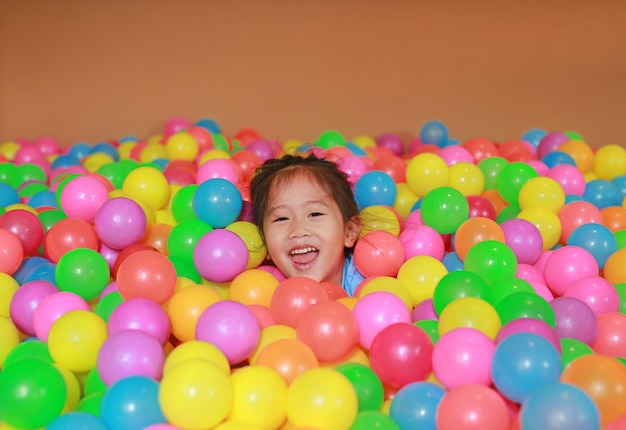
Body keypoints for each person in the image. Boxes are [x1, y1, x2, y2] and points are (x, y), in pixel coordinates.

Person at [250, 153, 365, 295]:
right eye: (282, 218)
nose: (298, 230)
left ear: (349, 231)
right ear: (264, 241)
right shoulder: (264, 289)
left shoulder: (366, 287)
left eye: (315, 214)